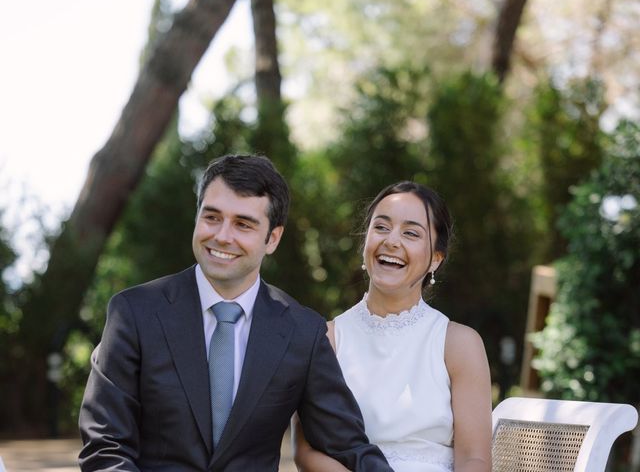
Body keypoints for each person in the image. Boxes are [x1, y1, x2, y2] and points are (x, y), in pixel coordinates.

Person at [78, 154, 392, 471]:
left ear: (272, 238)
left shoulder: (303, 333)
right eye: (212, 217)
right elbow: (106, 448)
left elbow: (347, 444)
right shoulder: (134, 313)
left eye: (243, 224)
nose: (223, 236)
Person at [293, 181, 492, 472]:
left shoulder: (459, 344)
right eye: (382, 227)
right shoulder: (326, 339)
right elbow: (304, 451)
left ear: (435, 259)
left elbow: (475, 458)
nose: (392, 241)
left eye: (411, 233)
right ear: (365, 242)